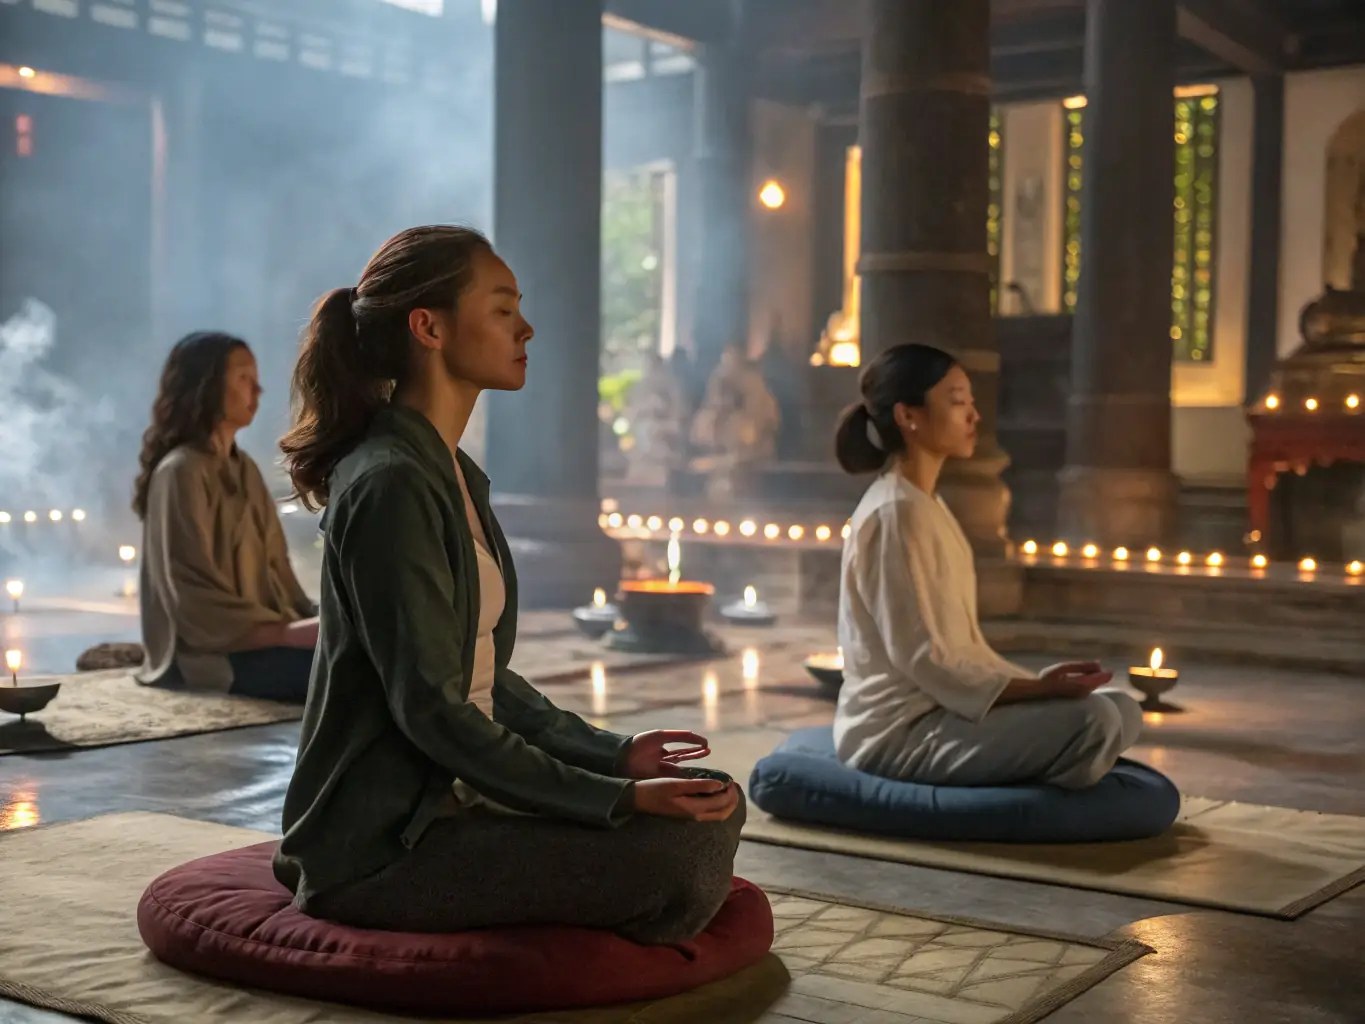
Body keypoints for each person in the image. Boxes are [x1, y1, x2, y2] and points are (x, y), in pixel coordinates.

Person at [273, 225, 743, 944]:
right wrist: (614, 798)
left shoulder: (449, 472)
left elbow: (479, 676)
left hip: (460, 797)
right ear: (427, 327)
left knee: (716, 803)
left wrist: (612, 754)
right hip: (388, 840)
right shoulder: (391, 484)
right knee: (674, 860)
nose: (525, 327)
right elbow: (435, 709)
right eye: (500, 308)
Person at [831, 343, 1143, 790]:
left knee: (1120, 709)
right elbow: (927, 661)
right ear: (908, 416)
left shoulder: (926, 505)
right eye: (957, 402)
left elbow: (963, 652)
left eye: (972, 403)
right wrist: (1041, 693)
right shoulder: (895, 513)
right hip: (898, 732)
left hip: (949, 711)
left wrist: (1036, 684)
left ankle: (1045, 771)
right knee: (1093, 721)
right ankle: (1045, 789)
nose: (974, 416)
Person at [133, 332, 318, 703]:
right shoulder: (180, 471)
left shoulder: (245, 468)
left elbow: (278, 574)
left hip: (263, 639)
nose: (258, 389)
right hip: (210, 655)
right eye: (244, 378)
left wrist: (319, 617)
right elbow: (192, 597)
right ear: (207, 386)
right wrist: (288, 633)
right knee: (342, 679)